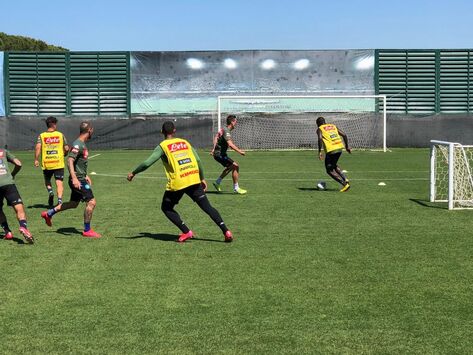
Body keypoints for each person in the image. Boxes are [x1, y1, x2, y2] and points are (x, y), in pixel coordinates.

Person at [127, 121, 233, 243]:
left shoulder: (163, 146)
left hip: (179, 182)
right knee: (207, 207)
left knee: (166, 208)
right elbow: (198, 160)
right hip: (193, 178)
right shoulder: (185, 142)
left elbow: (147, 163)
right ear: (174, 130)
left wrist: (133, 173)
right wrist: (201, 178)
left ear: (162, 132)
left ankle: (186, 231)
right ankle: (226, 231)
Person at [41, 122, 101, 238]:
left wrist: (85, 175)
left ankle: (49, 214)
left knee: (73, 204)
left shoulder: (81, 143)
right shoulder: (78, 144)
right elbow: (70, 161)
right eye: (92, 130)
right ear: (89, 130)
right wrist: (75, 178)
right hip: (78, 180)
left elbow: (78, 163)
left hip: (80, 178)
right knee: (91, 202)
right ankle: (87, 230)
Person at [0, 148, 34, 243]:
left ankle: (7, 232)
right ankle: (23, 227)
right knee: (19, 208)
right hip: (8, 184)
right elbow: (18, 163)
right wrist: (13, 174)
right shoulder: (3, 151)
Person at [34, 116, 69, 208]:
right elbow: (66, 148)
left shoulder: (41, 136)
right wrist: (65, 153)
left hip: (47, 163)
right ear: (53, 124)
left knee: (47, 180)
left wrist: (36, 159)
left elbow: (38, 147)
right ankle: (60, 201)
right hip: (58, 163)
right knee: (59, 182)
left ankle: (50, 192)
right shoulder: (60, 135)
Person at [210, 114, 247, 194]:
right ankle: (236, 188)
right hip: (219, 154)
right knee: (236, 166)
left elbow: (216, 137)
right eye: (235, 121)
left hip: (220, 154)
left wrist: (213, 148)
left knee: (231, 166)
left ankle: (217, 182)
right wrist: (240, 151)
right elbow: (230, 144)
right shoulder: (226, 131)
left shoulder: (223, 129)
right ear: (232, 122)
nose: (236, 123)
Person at [316, 116, 351, 192]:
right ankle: (345, 179)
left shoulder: (320, 129)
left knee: (329, 170)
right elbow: (344, 135)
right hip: (339, 148)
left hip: (331, 150)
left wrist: (319, 151)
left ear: (318, 124)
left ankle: (345, 184)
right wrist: (347, 147)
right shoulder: (333, 126)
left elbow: (320, 138)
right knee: (334, 165)